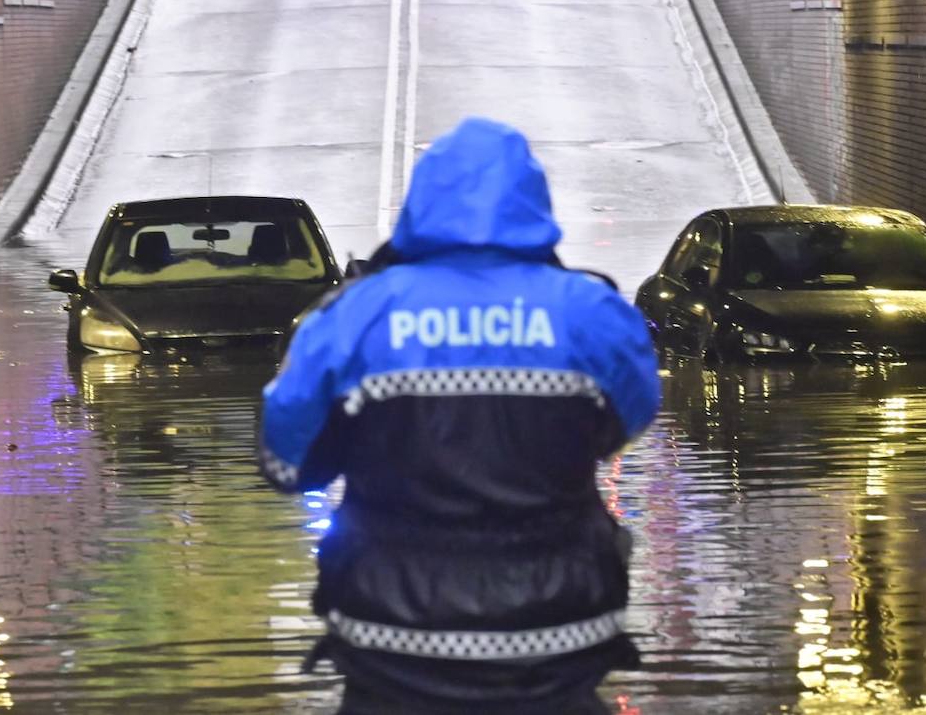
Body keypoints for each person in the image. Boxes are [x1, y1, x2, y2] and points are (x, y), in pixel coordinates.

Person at [258, 117, 661, 714]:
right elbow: (626, 424)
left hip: (392, 639)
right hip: (556, 638)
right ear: (534, 204)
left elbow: (286, 464)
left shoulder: (353, 317)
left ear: (420, 205)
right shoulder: (592, 313)